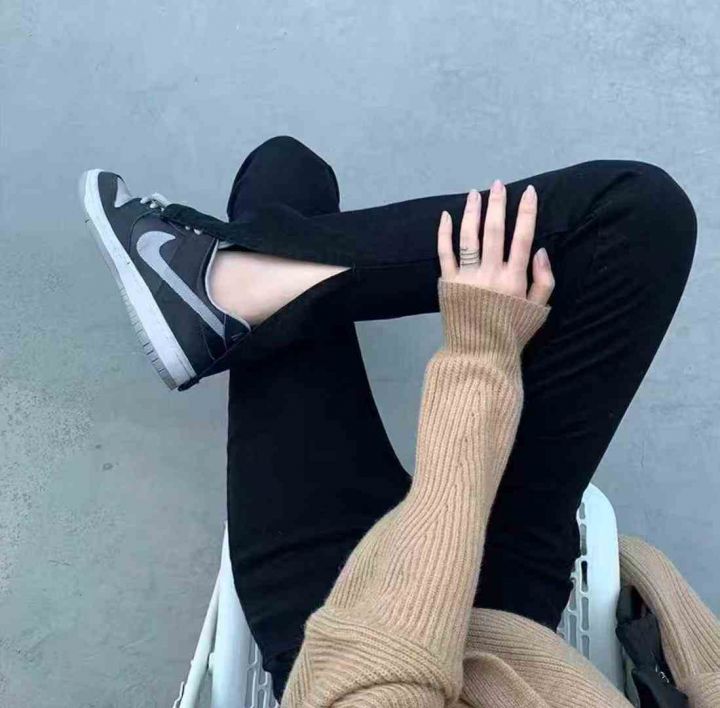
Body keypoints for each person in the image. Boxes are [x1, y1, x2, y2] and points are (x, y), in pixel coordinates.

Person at [79, 136, 717, 706]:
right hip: (507, 636)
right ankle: (228, 283)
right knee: (640, 218)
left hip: (346, 631)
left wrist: (481, 349)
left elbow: (372, 675)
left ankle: (223, 283)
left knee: (285, 172)